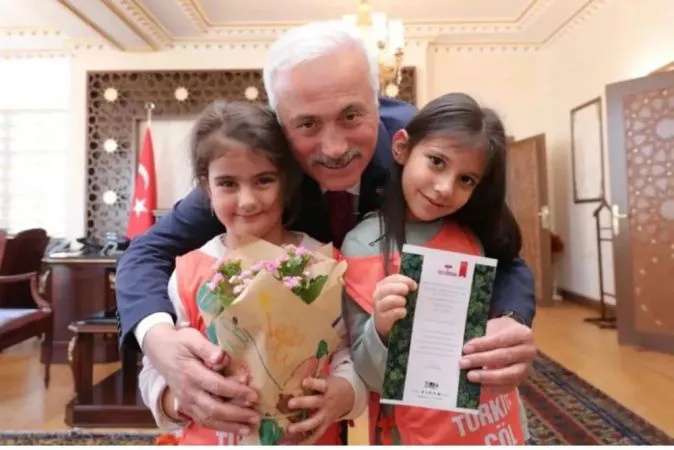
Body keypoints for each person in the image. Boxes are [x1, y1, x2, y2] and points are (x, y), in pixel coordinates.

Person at [115, 20, 537, 435]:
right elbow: (146, 252)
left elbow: (503, 252)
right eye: (307, 124)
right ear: (280, 124)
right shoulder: (255, 163)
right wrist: (159, 341)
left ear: (379, 102)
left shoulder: (428, 153)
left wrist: (512, 318)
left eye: (351, 115)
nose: (335, 149)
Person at [138, 100, 367, 445]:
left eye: (263, 180)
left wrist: (345, 392)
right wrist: (179, 400)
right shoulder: (189, 271)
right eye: (228, 183)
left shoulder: (323, 263)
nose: (247, 201)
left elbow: (349, 349)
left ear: (286, 182)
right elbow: (156, 366)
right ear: (206, 187)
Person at [341, 92, 529, 445]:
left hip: (494, 424)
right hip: (414, 432)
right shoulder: (363, 245)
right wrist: (381, 327)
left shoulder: (471, 235)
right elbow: (368, 374)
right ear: (401, 148)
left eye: (466, 179)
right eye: (437, 162)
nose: (445, 188)